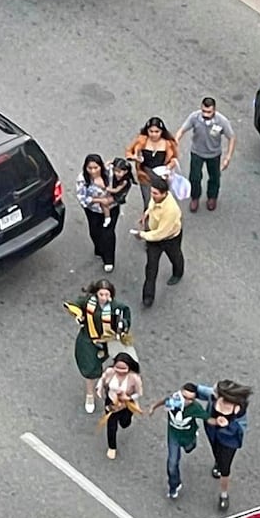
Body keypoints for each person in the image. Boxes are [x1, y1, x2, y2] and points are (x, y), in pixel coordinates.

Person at [63, 279, 132, 414]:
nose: (104, 298)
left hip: (110, 340)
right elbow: (74, 305)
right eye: (101, 295)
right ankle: (90, 394)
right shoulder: (88, 302)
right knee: (90, 370)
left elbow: (126, 316)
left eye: (107, 295)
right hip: (90, 340)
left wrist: (123, 326)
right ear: (96, 294)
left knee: (123, 363)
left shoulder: (116, 307)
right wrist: (78, 313)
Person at [148, 383, 211, 499]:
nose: (187, 401)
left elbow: (208, 418)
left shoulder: (195, 408)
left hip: (188, 436)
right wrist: (153, 407)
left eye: (190, 399)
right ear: (180, 392)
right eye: (184, 397)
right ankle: (174, 485)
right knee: (172, 463)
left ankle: (192, 442)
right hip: (174, 436)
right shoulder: (174, 400)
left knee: (189, 448)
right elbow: (164, 401)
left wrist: (220, 421)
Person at [198, 380, 252, 512]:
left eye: (216, 390)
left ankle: (224, 494)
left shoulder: (239, 409)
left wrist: (227, 424)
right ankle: (217, 463)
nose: (213, 390)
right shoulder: (214, 397)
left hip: (229, 440)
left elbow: (240, 428)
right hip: (213, 433)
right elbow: (198, 390)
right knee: (216, 453)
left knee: (225, 468)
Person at [174, 97, 236, 212]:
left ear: (214, 110)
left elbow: (231, 137)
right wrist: (176, 140)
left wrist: (228, 157)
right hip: (197, 152)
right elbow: (182, 130)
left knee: (215, 177)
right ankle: (195, 197)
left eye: (209, 112)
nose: (206, 114)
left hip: (214, 154)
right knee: (195, 177)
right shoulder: (195, 117)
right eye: (204, 111)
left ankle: (212, 197)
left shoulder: (222, 121)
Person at [134, 177, 184, 307]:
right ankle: (148, 296)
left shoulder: (170, 210)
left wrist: (142, 235)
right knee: (151, 267)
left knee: (175, 256)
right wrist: (146, 214)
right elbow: (151, 205)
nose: (152, 195)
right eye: (152, 192)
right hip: (154, 236)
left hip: (169, 238)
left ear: (164, 193)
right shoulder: (157, 198)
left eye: (155, 193)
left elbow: (161, 233)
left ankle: (178, 273)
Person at [75, 153, 119, 272]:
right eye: (90, 168)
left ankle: (109, 259)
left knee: (108, 233)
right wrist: (99, 200)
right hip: (93, 210)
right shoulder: (82, 179)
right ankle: (99, 249)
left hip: (111, 208)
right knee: (95, 232)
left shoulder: (109, 173)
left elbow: (122, 178)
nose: (93, 171)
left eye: (96, 168)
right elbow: (82, 198)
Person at [96, 353, 144, 459]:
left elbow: (139, 393)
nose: (120, 371)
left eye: (124, 368)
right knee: (111, 425)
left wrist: (128, 398)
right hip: (112, 402)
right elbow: (102, 381)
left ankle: (127, 420)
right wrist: (99, 390)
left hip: (127, 404)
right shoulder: (110, 372)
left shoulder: (134, 378)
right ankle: (112, 447)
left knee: (124, 423)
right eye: (117, 367)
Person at [126, 117, 179, 207]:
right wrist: (134, 157)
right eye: (151, 131)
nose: (154, 134)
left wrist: (169, 167)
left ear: (162, 131)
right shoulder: (141, 140)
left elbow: (174, 158)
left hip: (161, 175)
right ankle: (148, 215)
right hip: (145, 173)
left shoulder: (168, 143)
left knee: (161, 199)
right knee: (147, 200)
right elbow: (128, 152)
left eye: (157, 132)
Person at [100, 158, 134, 226]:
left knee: (104, 202)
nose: (116, 173)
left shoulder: (125, 181)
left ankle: (107, 217)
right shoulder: (113, 176)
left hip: (118, 195)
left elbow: (116, 190)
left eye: (119, 172)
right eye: (115, 170)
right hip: (112, 190)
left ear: (125, 171)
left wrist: (106, 188)